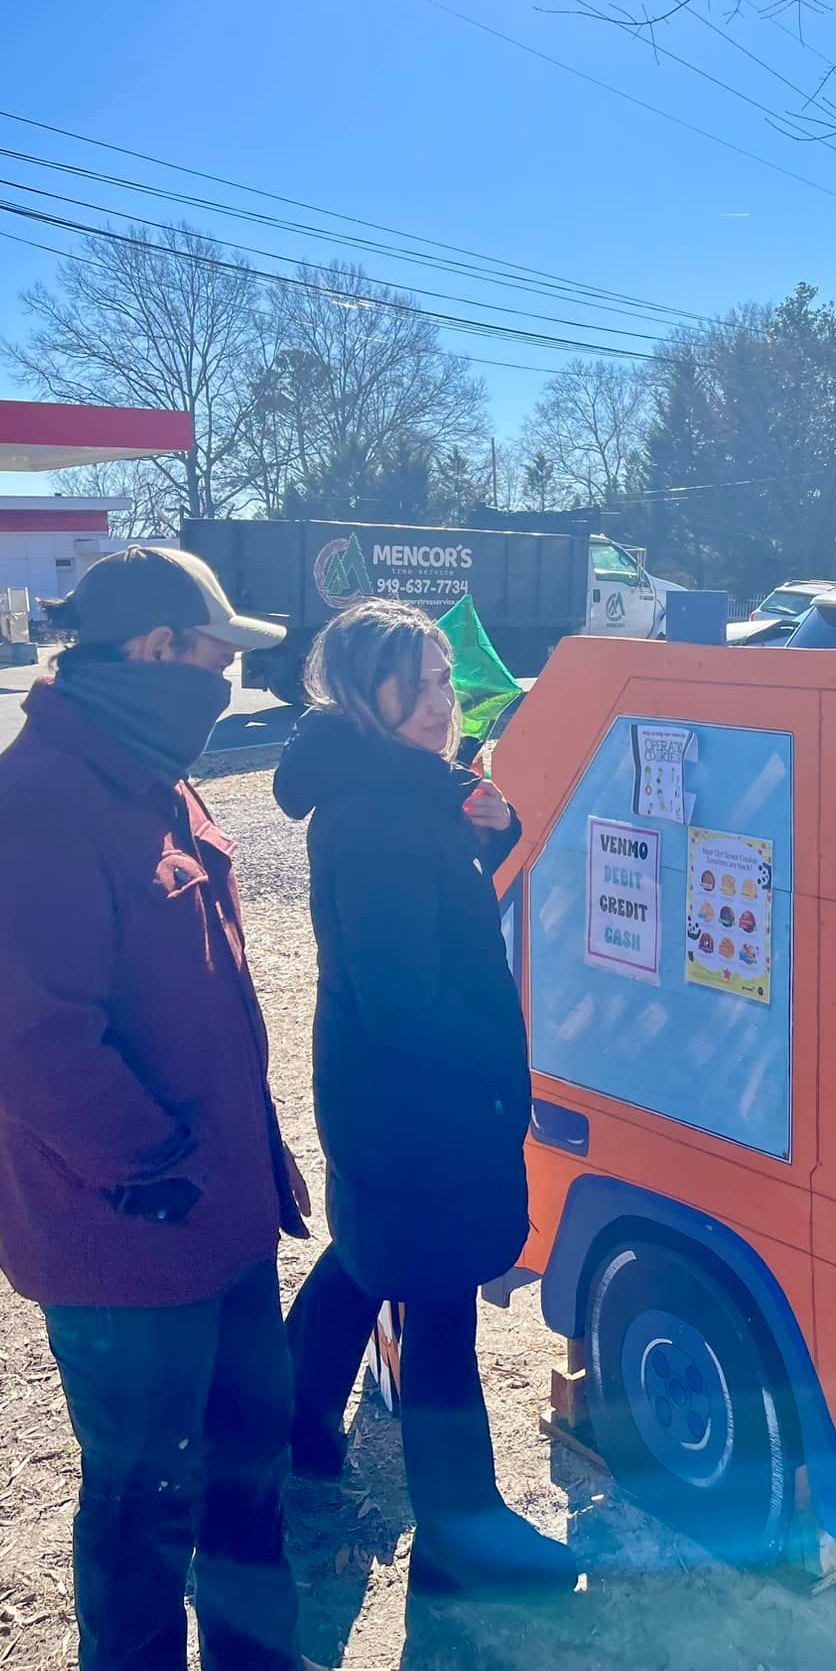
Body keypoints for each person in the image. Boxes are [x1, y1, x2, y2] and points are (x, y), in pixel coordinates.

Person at [0, 546, 401, 1671]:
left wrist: (243, 1171)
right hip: (126, 1237)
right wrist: (160, 1168)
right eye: (218, 655)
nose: (229, 678)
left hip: (223, 1217)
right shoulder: (33, 804)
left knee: (246, 1460)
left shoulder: (156, 777)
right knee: (143, 1509)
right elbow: (43, 1046)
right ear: (155, 650)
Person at [275, 599, 578, 1599]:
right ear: (363, 692)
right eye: (415, 683)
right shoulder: (372, 813)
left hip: (385, 1091)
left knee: (369, 1256)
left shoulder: (416, 791)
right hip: (413, 1099)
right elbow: (401, 991)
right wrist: (489, 1074)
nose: (439, 704)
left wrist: (500, 828)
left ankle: (293, 1427)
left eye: (446, 681)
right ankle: (462, 1531)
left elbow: (442, 904)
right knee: (439, 1298)